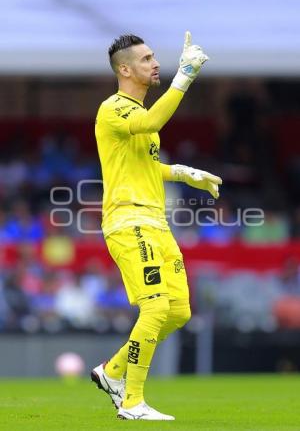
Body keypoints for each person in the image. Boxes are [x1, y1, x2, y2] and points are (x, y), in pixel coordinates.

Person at [91, 32, 222, 420]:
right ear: (126, 69)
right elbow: (151, 119)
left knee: (178, 310)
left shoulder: (137, 117)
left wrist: (183, 172)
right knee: (155, 306)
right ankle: (132, 401)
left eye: (155, 57)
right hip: (128, 220)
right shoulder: (113, 108)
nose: (155, 63)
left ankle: (112, 371)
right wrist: (186, 76)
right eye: (147, 58)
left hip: (156, 223)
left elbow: (144, 166)